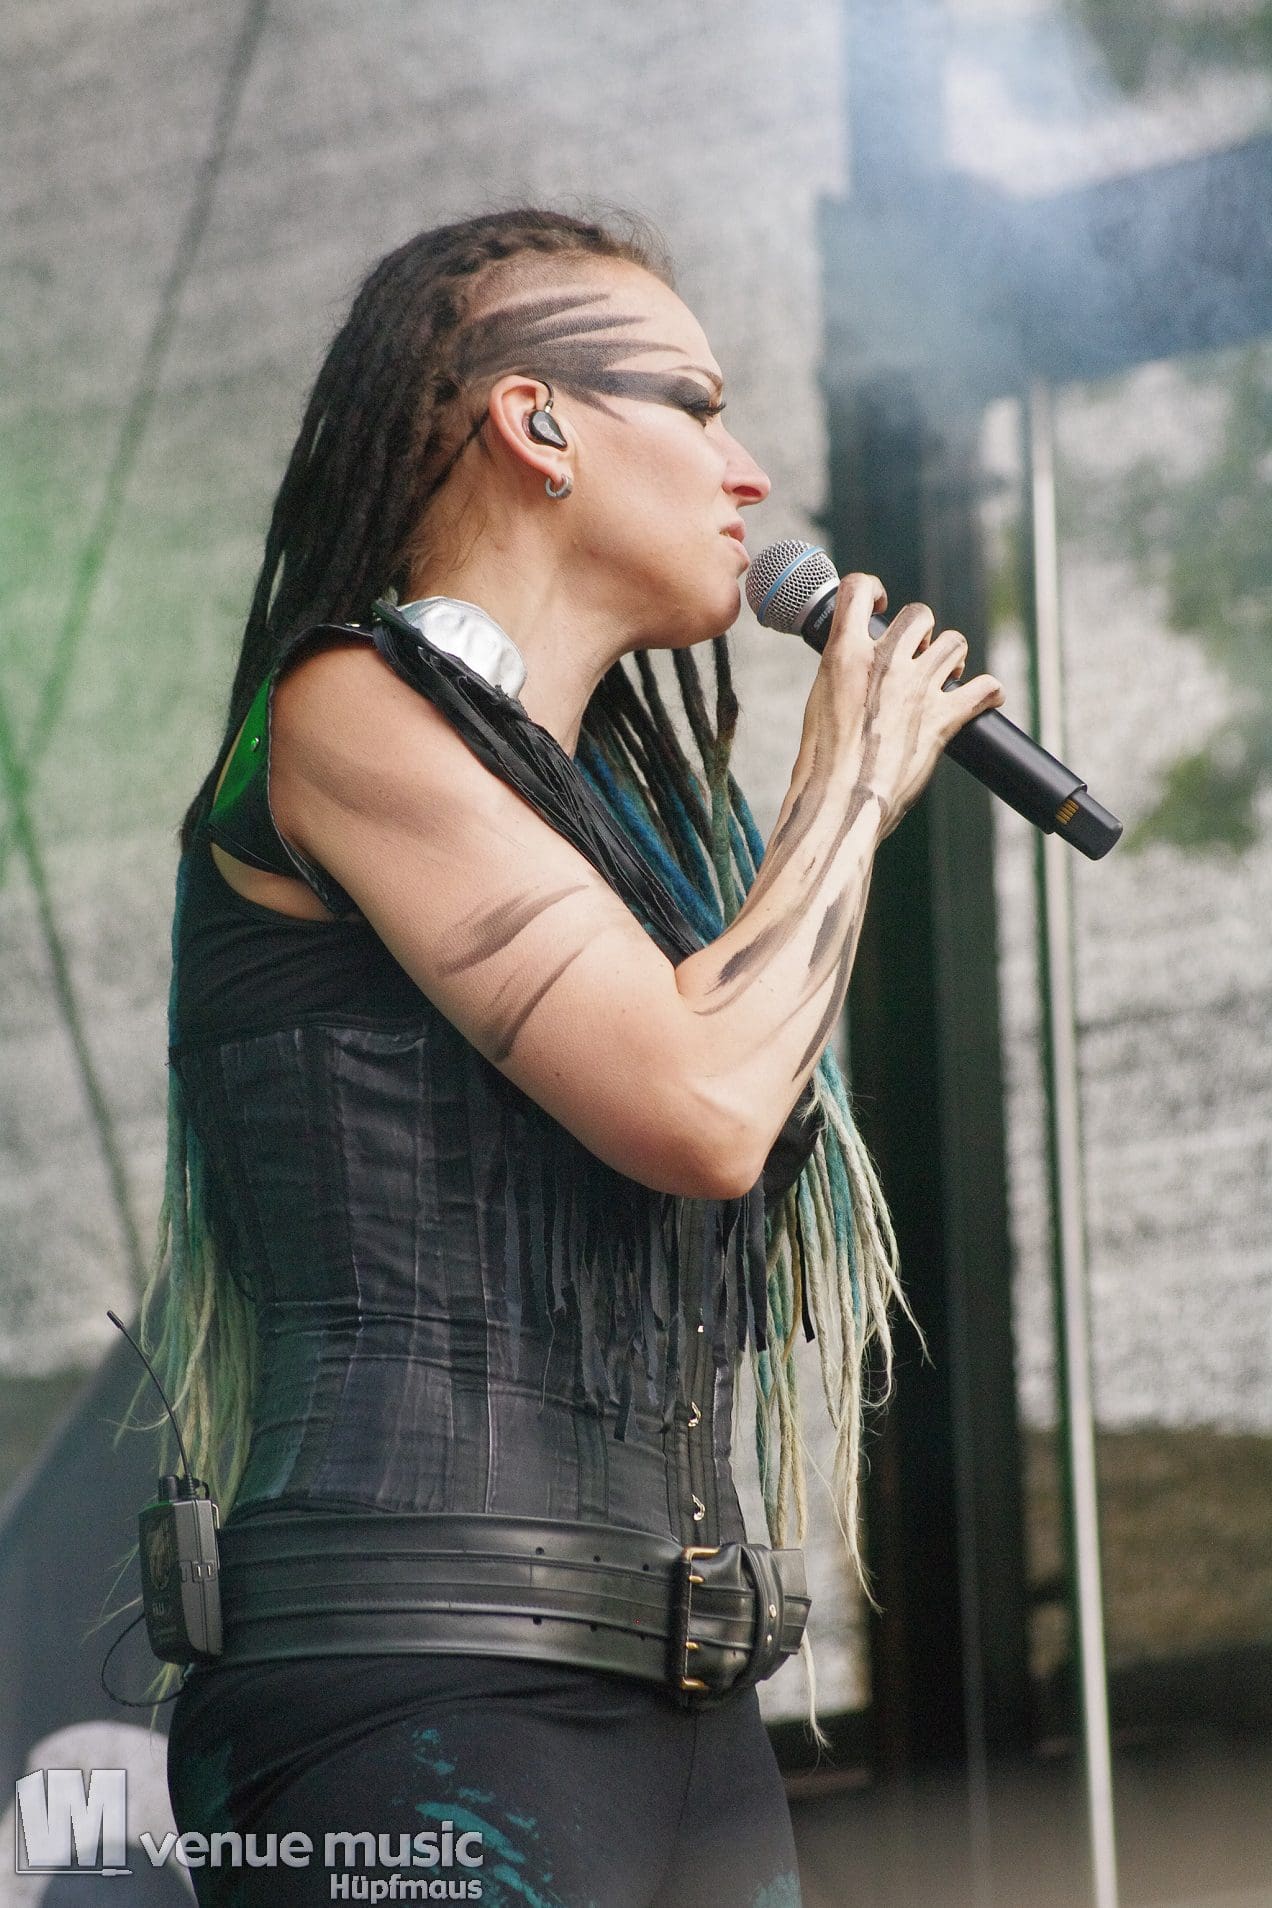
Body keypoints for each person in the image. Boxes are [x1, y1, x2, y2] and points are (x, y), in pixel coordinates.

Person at [142, 207, 1003, 1908]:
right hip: (421, 1680)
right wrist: (848, 784)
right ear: (537, 424)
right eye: (698, 405)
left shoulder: (628, 832)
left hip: (683, 1699)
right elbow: (702, 1108)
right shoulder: (343, 713)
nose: (749, 472)